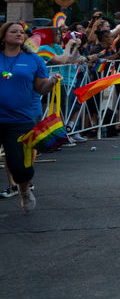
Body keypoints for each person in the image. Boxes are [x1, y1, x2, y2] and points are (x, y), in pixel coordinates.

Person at [0, 21, 63, 213]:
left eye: (21, 32)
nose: (19, 34)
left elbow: (40, 88)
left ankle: (24, 190)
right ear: (3, 36)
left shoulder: (33, 59)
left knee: (20, 166)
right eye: (14, 31)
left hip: (19, 120)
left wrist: (51, 82)